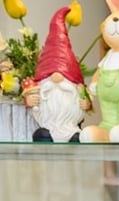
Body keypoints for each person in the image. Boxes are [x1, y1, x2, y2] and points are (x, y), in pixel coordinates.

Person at [23, 5, 91, 143]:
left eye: (63, 74)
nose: (56, 77)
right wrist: (29, 101)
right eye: (50, 73)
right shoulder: (41, 91)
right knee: (41, 136)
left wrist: (87, 104)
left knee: (80, 139)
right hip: (47, 130)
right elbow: (29, 98)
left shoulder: (77, 91)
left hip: (72, 130)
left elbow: (87, 101)